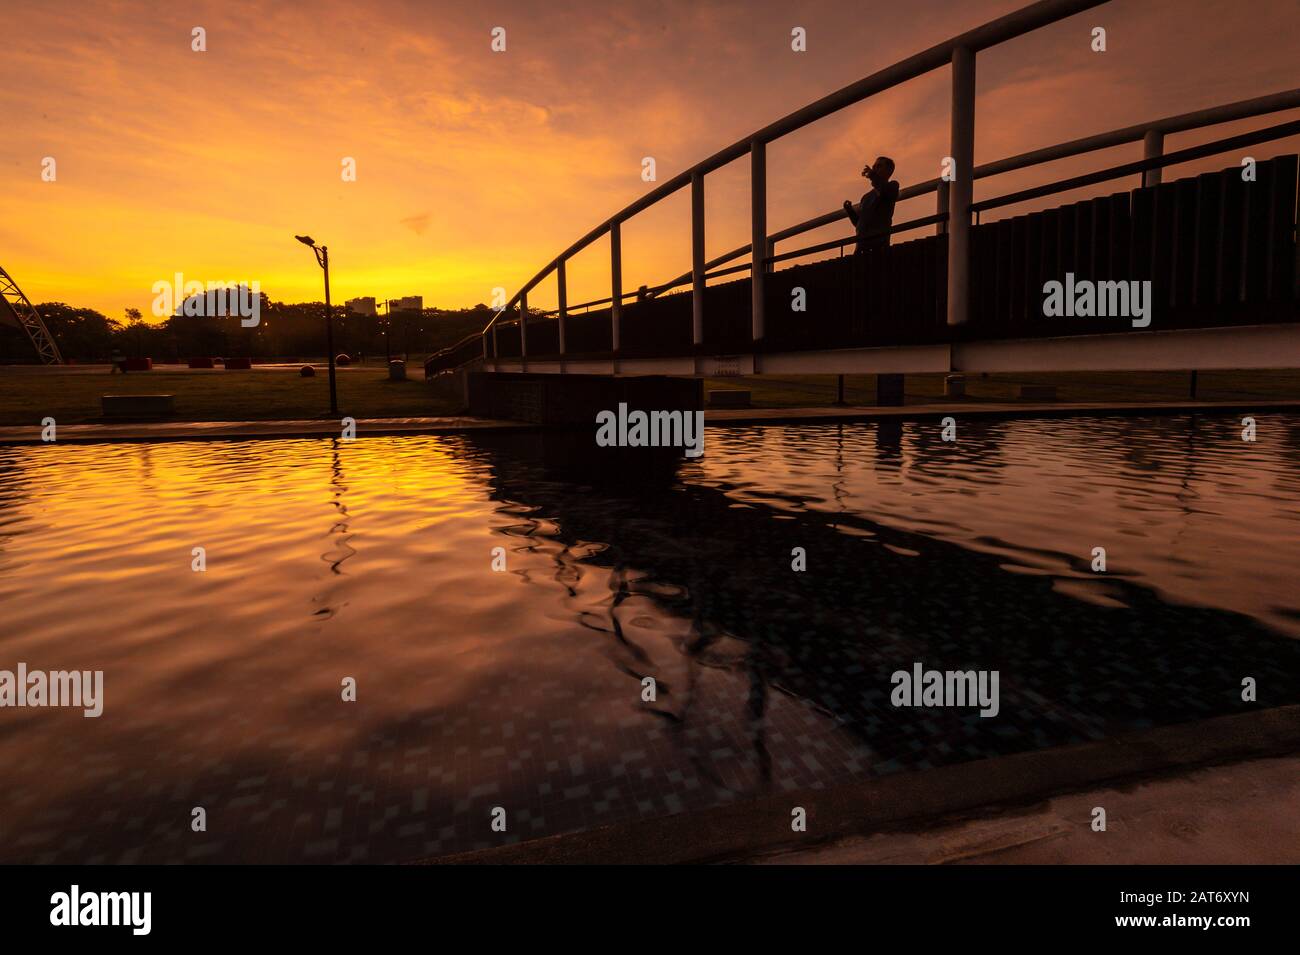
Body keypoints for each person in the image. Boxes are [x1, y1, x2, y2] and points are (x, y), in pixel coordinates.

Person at [843, 156, 899, 253]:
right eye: (874, 166)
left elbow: (885, 192)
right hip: (861, 248)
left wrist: (873, 177)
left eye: (879, 166)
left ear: (889, 171)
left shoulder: (893, 186)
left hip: (879, 247)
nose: (874, 169)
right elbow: (859, 223)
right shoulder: (866, 197)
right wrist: (849, 210)